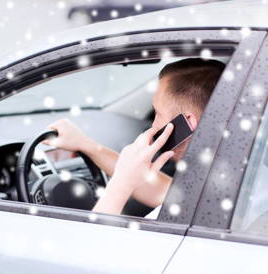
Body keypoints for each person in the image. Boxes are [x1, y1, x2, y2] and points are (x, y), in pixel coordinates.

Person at [45, 58, 225, 216]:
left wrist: (119, 186)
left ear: (188, 123)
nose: (153, 126)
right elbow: (170, 193)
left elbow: (93, 249)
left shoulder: (186, 221)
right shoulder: (224, 186)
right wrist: (88, 146)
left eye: (157, 113)